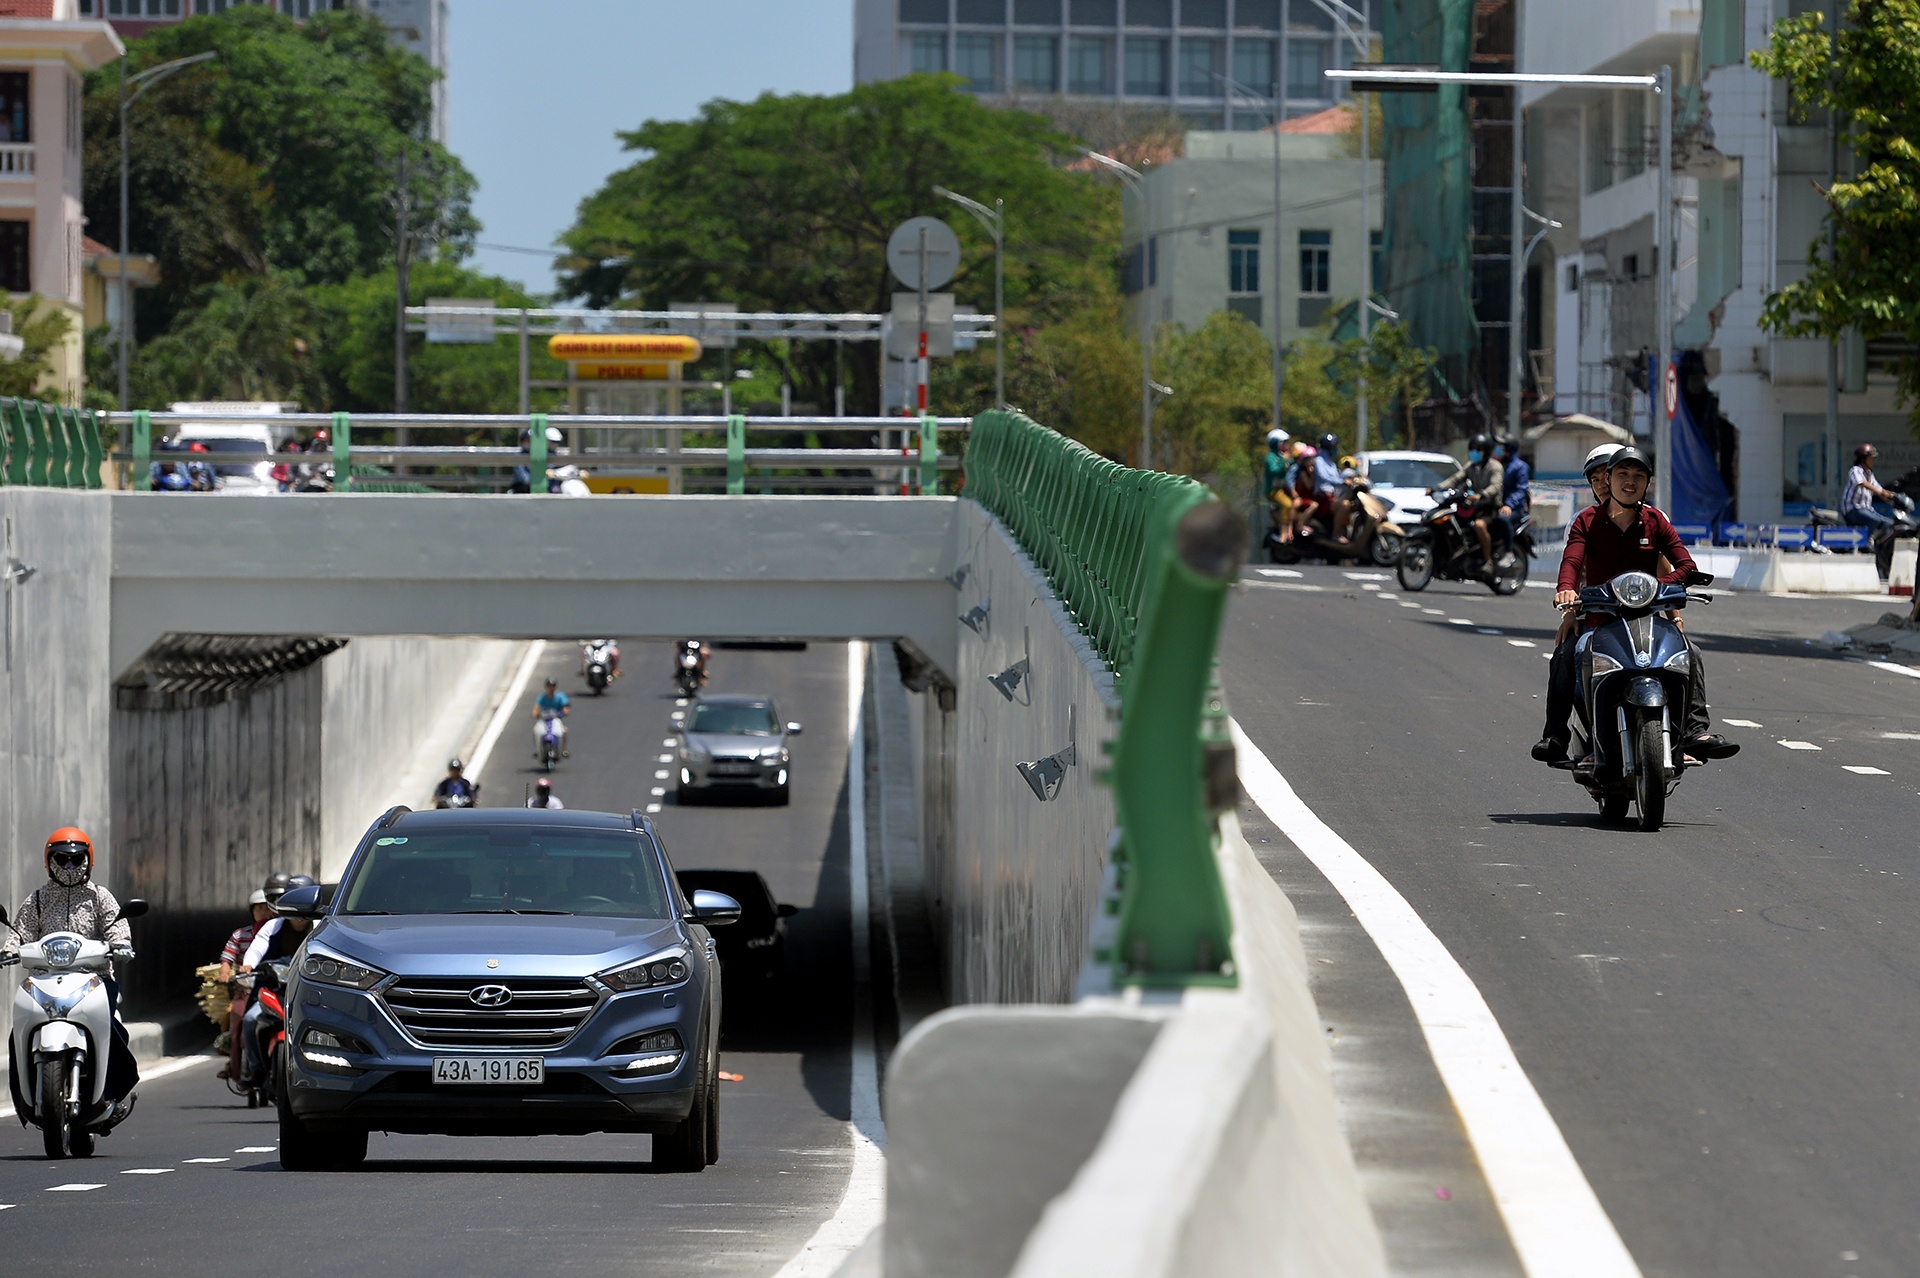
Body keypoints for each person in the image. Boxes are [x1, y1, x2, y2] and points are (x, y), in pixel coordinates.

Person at [1533, 449, 1738, 764]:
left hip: (1647, 619)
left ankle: (1693, 733)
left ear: (1647, 483)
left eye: (1638, 476)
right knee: (1570, 653)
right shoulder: (1585, 521)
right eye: (1621, 475)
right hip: (1597, 619)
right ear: (1607, 480)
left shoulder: (1655, 520)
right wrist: (1565, 594)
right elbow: (1572, 562)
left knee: (1689, 653)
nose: (1629, 482)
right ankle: (1557, 736)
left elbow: (1683, 564)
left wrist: (1665, 589)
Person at [1, 828, 140, 1114]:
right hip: (44, 979)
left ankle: (110, 1092)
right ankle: (25, 1099)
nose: (68, 867)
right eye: (61, 859)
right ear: (48, 861)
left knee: (114, 1029)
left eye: (76, 860)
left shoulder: (100, 897)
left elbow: (116, 926)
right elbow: (21, 931)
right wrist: (10, 948)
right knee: (18, 1031)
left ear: (88, 860)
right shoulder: (37, 899)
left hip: (95, 979)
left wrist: (121, 943)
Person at [238, 874, 315, 1086]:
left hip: (310, 994)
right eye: (294, 902)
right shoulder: (272, 927)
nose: (299, 911)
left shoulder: (320, 929)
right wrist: (249, 964)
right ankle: (256, 1069)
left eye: (305, 903)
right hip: (275, 991)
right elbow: (257, 947)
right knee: (250, 1020)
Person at [216, 889, 274, 1080]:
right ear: (252, 911)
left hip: (272, 989)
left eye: (268, 908)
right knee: (237, 1020)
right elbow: (227, 958)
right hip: (245, 989)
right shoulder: (241, 935)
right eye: (259, 909)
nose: (264, 913)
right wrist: (225, 972)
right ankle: (234, 1064)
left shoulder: (277, 932)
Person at [1435, 433, 1506, 573]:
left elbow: (1496, 486)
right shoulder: (1471, 466)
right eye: (1472, 449)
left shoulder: (1495, 467)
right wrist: (1437, 488)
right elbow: (1456, 479)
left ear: (1486, 452)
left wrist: (1481, 495)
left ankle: (1488, 561)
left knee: (1479, 525)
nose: (1475, 453)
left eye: (1478, 450)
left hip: (1489, 507)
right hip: (1472, 506)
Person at [1842, 444, 1898, 534]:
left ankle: (1880, 547)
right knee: (1874, 521)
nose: (1873, 461)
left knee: (1888, 523)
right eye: (1871, 458)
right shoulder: (1855, 470)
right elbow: (1863, 483)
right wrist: (1880, 492)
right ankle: (1864, 544)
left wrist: (1893, 497)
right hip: (1853, 510)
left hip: (1867, 510)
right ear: (1863, 459)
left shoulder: (1869, 474)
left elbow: (1878, 488)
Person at [1494, 436, 1530, 561]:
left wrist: (1509, 504)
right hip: (1497, 505)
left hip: (1515, 509)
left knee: (1502, 519)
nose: (1498, 449)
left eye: (1501, 446)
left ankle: (1508, 552)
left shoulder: (1520, 466)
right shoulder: (1497, 465)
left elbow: (1522, 489)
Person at [1263, 429, 1296, 544]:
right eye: (1283, 443)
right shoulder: (1271, 457)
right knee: (1287, 504)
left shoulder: (1283, 456)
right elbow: (1274, 471)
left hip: (1284, 489)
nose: (1286, 445)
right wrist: (1284, 462)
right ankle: (1283, 533)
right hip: (1273, 490)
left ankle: (1292, 530)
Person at [532, 677, 570, 758]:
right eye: (549, 686)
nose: (551, 688)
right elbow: (536, 708)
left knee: (564, 731)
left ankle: (563, 749)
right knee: (535, 730)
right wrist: (535, 713)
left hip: (555, 719)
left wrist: (564, 711)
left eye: (553, 686)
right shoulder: (542, 698)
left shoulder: (560, 696)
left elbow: (566, 706)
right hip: (544, 719)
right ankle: (537, 750)